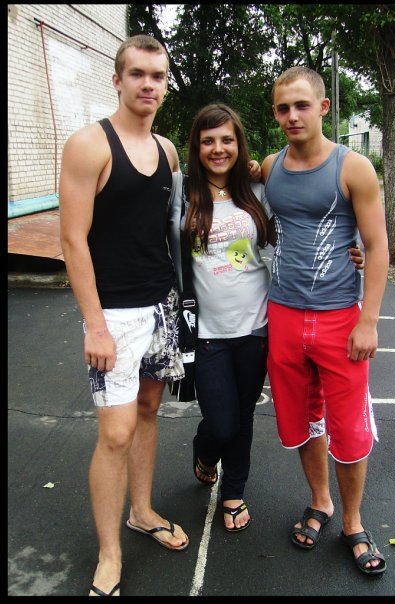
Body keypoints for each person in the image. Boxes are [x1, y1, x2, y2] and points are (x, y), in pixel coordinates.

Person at [168, 103, 365, 533]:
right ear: (196, 147)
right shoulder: (182, 191)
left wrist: (352, 251)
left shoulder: (257, 189)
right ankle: (205, 451)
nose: (218, 149)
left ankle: (233, 492)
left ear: (239, 145)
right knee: (221, 423)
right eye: (207, 141)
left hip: (257, 327)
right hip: (207, 332)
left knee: (242, 418)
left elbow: (305, 225)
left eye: (227, 140)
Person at [59, 35, 190, 598]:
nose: (148, 85)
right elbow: (73, 239)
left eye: (157, 76)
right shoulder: (90, 145)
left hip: (161, 305)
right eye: (137, 74)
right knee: (115, 434)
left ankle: (141, 511)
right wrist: (95, 325)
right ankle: (109, 554)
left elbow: (170, 228)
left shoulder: (167, 151)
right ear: (117, 80)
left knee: (148, 410)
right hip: (113, 314)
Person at [261, 66, 389, 576]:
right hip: (283, 315)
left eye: (301, 105)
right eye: (282, 108)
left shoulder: (352, 167)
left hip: (340, 318)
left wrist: (369, 320)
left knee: (349, 426)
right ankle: (321, 501)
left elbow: (377, 246)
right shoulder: (269, 166)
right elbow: (230, 174)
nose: (292, 116)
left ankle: (353, 522)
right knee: (301, 419)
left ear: (323, 107)